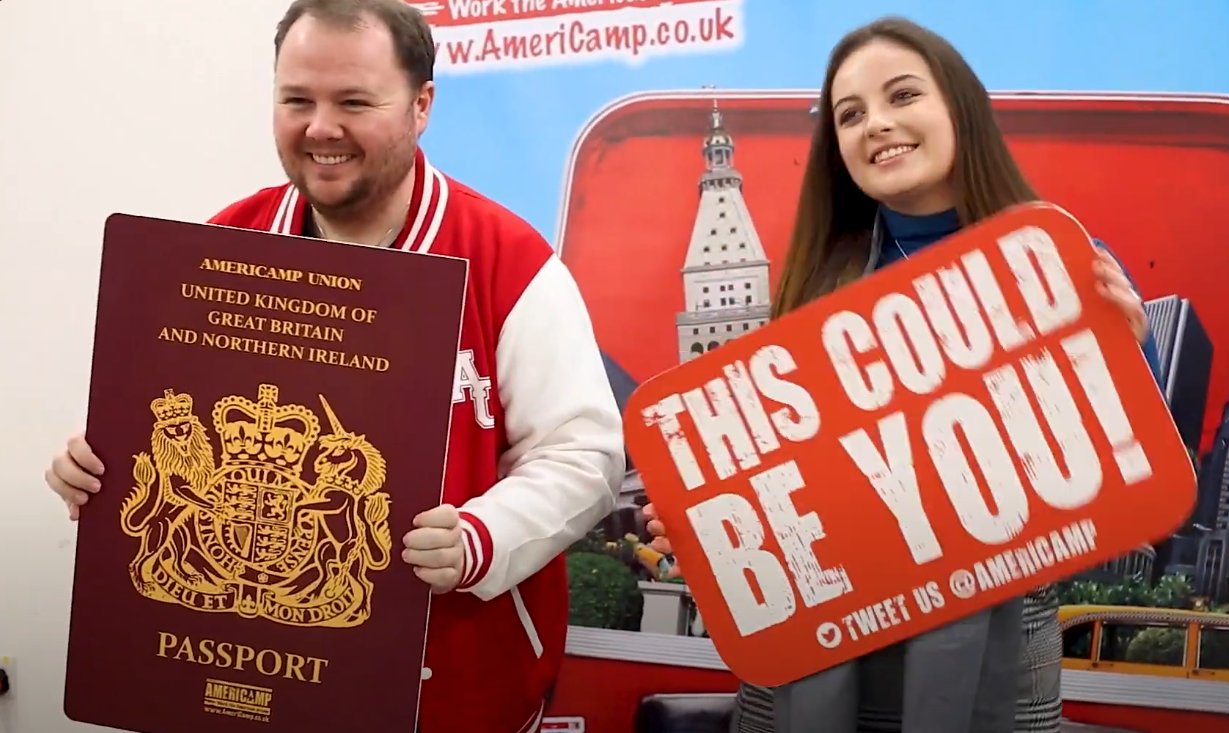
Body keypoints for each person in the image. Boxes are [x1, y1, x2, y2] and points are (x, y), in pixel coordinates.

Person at [42, 1, 626, 731]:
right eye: (297, 100)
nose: (320, 128)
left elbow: (585, 454)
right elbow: (167, 414)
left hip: (451, 691)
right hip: (242, 684)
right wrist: (96, 465)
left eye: (354, 101)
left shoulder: (508, 260)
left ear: (421, 105)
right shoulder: (223, 243)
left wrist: (483, 536)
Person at [644, 16, 1162, 733]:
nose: (876, 125)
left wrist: (1121, 368)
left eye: (902, 96)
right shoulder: (812, 286)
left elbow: (1131, 483)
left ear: (959, 107)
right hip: (806, 659)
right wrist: (704, 523)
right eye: (849, 114)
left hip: (998, 661)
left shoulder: (1059, 266)